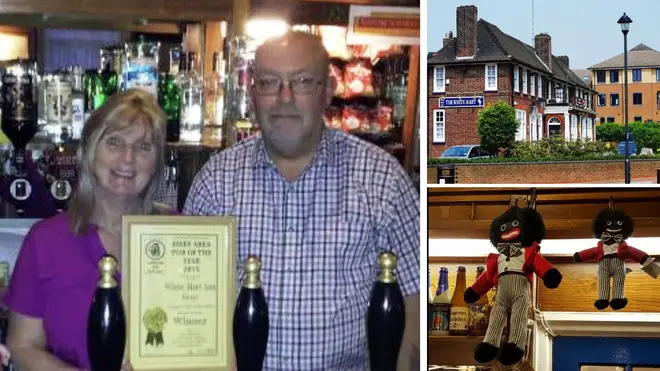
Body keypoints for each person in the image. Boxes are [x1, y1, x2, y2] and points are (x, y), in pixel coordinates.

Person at [184, 31, 420, 370]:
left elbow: (413, 306)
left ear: (327, 90)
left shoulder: (382, 179)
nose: (285, 97)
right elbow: (188, 299)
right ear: (253, 94)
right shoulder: (215, 182)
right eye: (269, 82)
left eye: (303, 81)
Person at [4, 89, 171, 371]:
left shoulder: (185, 238)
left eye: (144, 147)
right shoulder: (46, 242)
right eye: (114, 142)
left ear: (156, 163)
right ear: (90, 150)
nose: (128, 158)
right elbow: (21, 347)